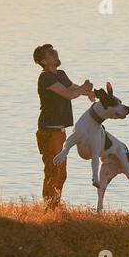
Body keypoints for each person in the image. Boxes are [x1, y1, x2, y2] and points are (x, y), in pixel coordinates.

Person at [33, 44, 95, 204]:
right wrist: (83, 89)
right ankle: (48, 208)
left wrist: (89, 92)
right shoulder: (45, 77)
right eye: (51, 54)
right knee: (53, 171)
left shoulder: (60, 74)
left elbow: (72, 88)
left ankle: (54, 205)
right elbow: (68, 94)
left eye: (55, 52)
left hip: (60, 132)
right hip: (48, 132)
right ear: (44, 61)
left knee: (61, 173)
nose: (55, 55)